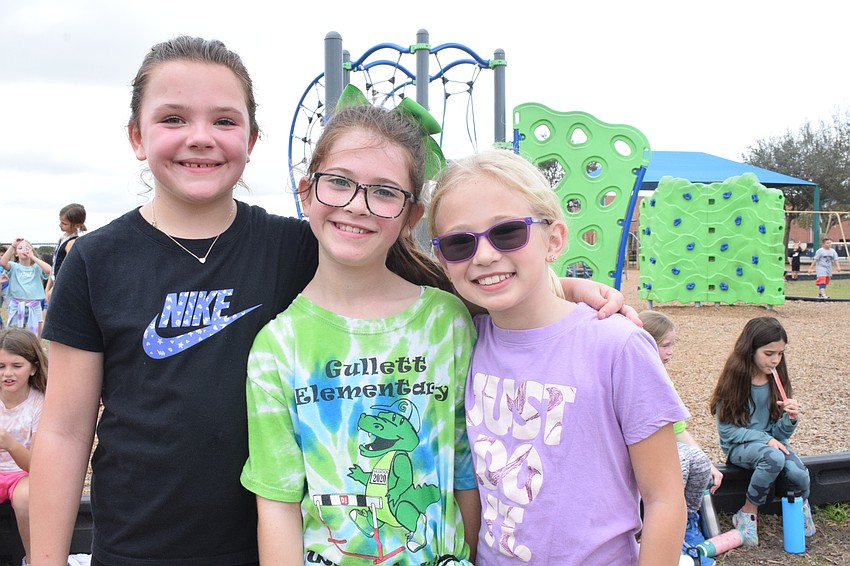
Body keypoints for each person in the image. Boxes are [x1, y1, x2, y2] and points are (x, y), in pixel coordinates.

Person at [29, 36, 635, 566]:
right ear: (137, 136)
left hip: (277, 539)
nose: (199, 138)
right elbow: (63, 430)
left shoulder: (298, 244)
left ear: (252, 138)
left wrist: (568, 290)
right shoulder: (95, 260)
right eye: (172, 119)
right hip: (143, 544)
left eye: (223, 120)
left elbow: (451, 284)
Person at [241, 102, 480, 564]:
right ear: (307, 192)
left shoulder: (447, 322)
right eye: (339, 182)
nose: (356, 204)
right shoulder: (277, 347)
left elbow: (466, 472)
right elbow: (277, 504)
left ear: (412, 217)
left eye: (385, 192)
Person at [428, 150, 689, 565]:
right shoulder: (463, 341)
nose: (483, 255)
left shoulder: (617, 346)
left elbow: (665, 499)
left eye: (508, 232)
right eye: (460, 242)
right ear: (442, 260)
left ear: (554, 239)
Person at [708, 316, 815, 547]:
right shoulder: (735, 381)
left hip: (770, 444)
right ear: (750, 349)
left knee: (799, 473)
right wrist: (766, 439)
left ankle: (800, 507)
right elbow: (728, 432)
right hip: (739, 447)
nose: (776, 360)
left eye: (780, 353)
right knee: (774, 457)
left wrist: (790, 419)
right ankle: (746, 513)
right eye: (769, 353)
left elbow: (780, 433)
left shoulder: (778, 378)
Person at [639, 310, 723, 565]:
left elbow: (678, 430)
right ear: (645, 344)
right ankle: (661, 532)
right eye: (665, 345)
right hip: (633, 453)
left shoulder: (663, 381)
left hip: (657, 450)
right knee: (680, 463)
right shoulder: (633, 378)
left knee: (696, 459)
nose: (671, 352)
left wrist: (708, 462)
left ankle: (686, 523)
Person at [0, 327, 48, 566]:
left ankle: (34, 559)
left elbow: (36, 465)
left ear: (33, 368)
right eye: (1, 366)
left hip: (24, 474)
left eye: (16, 366)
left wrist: (9, 443)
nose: (7, 373)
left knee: (26, 498)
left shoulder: (39, 404)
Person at [0, 239, 51, 336]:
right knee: (14, 334)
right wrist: (13, 246)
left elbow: (49, 270)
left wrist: (32, 256)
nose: (24, 250)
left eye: (27, 248)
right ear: (16, 254)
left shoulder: (37, 267)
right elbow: (3, 262)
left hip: (34, 306)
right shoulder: (14, 267)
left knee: (35, 334)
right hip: (16, 305)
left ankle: (34, 349)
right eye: (20, 248)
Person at [44, 203, 87, 303]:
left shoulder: (72, 242)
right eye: (60, 222)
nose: (60, 225)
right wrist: (47, 288)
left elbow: (67, 269)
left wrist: (54, 288)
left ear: (77, 225)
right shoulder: (63, 238)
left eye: (64, 224)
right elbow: (55, 266)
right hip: (56, 283)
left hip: (63, 287)